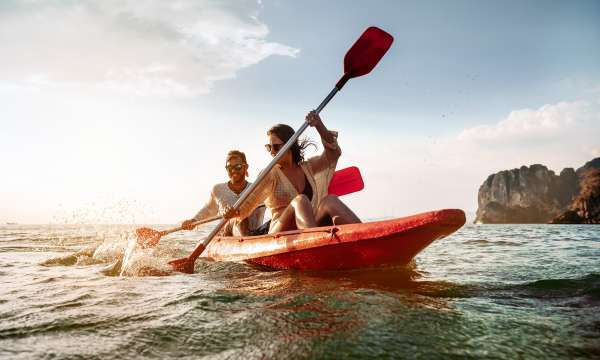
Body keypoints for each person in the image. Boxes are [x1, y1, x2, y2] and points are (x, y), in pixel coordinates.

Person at [225, 111, 360, 233]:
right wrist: (233, 211)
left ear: (290, 145)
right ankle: (312, 242)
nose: (272, 152)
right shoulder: (269, 174)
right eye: (269, 147)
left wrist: (319, 125)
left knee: (330, 200)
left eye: (276, 147)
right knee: (300, 200)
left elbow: (333, 153)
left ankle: (365, 234)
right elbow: (248, 204)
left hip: (308, 225)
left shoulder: (308, 167)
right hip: (280, 230)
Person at [181, 150, 265, 236]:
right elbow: (208, 210)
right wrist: (193, 221)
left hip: (255, 234)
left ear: (246, 167)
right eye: (230, 168)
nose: (233, 171)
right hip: (228, 234)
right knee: (239, 218)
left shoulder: (258, 189)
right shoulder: (218, 189)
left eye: (238, 167)